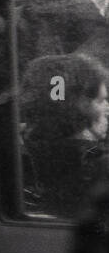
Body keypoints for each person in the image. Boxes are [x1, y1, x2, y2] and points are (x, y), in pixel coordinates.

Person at [20, 53, 109, 219]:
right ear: (77, 108)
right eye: (101, 101)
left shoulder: (19, 155)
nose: (107, 108)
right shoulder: (96, 166)